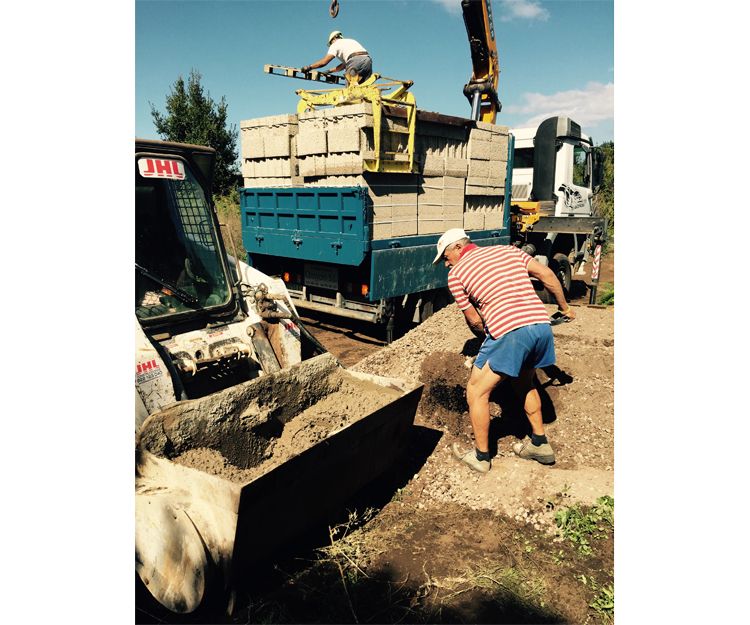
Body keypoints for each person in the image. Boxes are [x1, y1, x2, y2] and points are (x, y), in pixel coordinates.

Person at [432, 228, 576, 473]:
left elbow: (475, 321)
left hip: (511, 332)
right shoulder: (509, 251)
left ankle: (481, 457)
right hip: (541, 327)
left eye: (446, 257)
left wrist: (490, 336)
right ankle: (539, 443)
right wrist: (565, 308)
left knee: (476, 391)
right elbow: (546, 273)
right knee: (524, 381)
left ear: (458, 247)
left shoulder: (457, 275)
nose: (446, 264)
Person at [301, 31, 372, 84]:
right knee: (365, 89)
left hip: (355, 62)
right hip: (367, 61)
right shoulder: (350, 41)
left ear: (334, 39)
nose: (331, 44)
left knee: (350, 91)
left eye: (331, 43)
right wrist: (329, 71)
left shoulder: (335, 44)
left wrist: (309, 67)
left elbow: (324, 62)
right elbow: (344, 65)